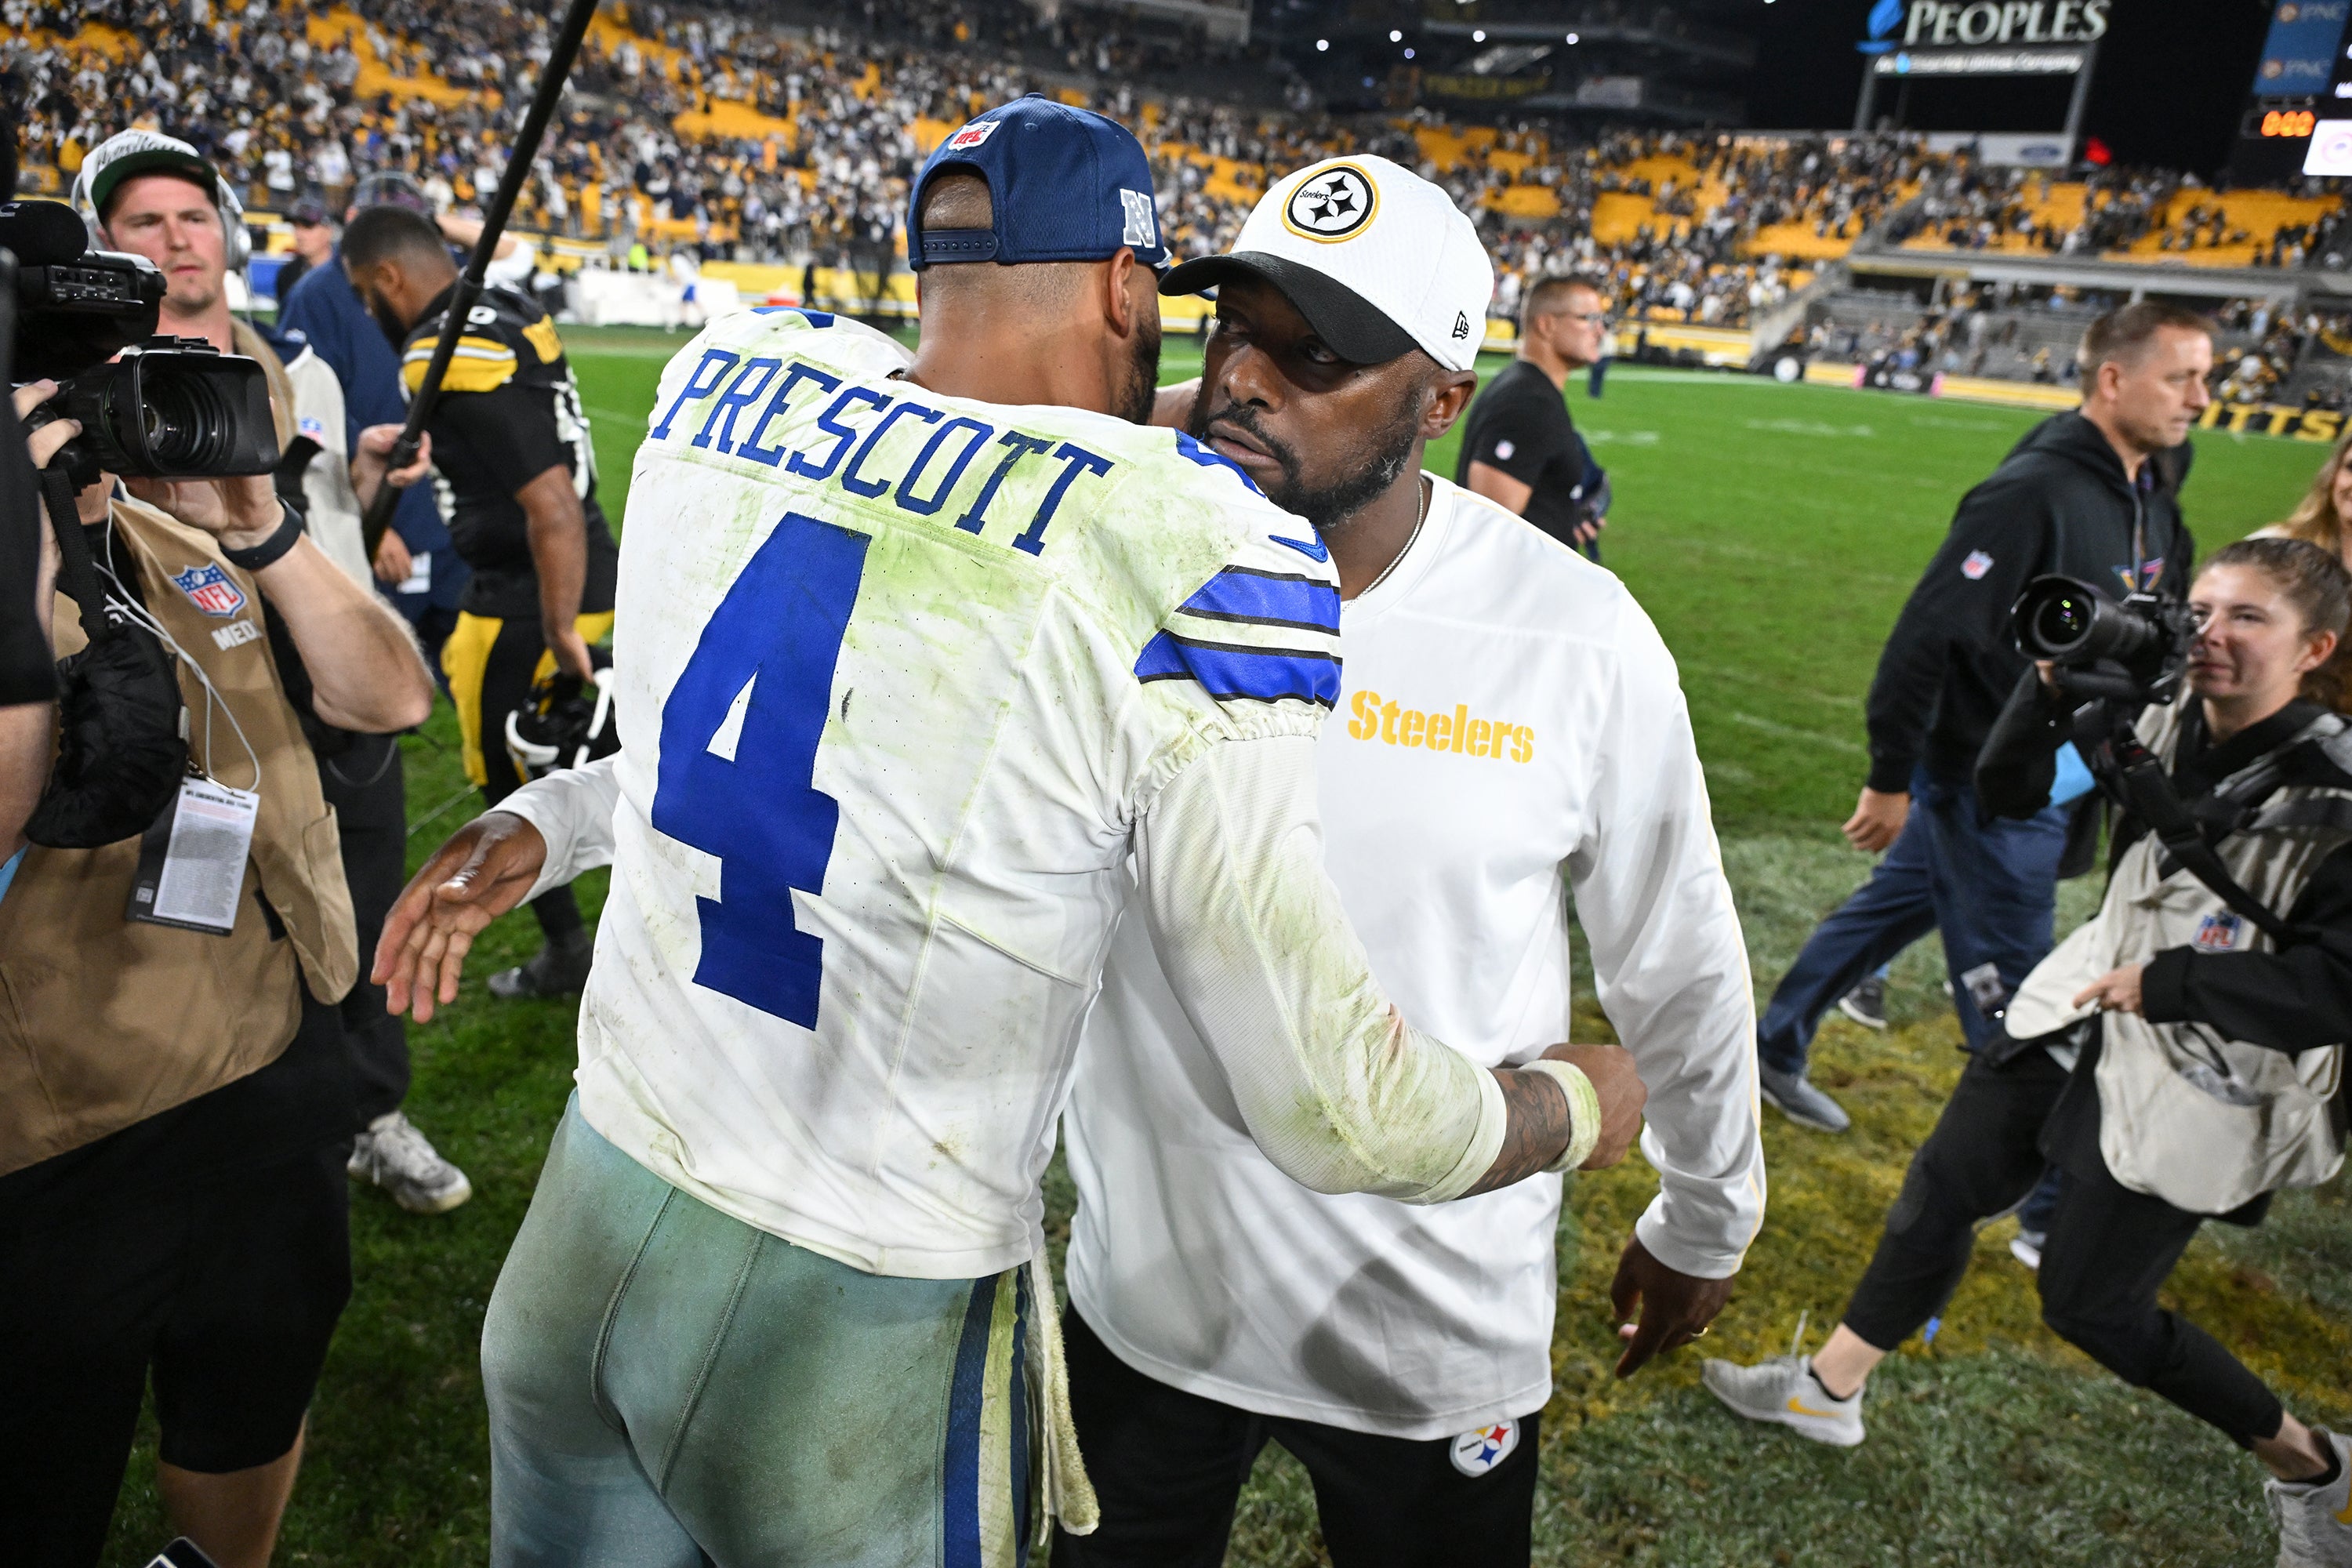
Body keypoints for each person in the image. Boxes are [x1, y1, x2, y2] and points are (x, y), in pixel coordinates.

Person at [374, 96, 1642, 1565]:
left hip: (586, 1236)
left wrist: (559, 815)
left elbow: (773, 735)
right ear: (1125, 287)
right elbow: (1335, 1109)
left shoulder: (734, 384)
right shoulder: (1197, 551)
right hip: (858, 1316)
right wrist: (1572, 1105)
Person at [1056, 158, 1763, 1565]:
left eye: (1316, 353)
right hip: (1144, 1296)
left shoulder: (1573, 634)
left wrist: (1707, 1212)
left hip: (1430, 1321)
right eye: (1235, 330)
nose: (1252, 376)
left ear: (1443, 400)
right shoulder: (1101, 560)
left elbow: (1674, 948)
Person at [1704, 539, 2352, 1568]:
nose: (2210, 637)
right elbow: (2005, 789)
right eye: (2203, 610)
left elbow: (2337, 986)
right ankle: (1827, 1390)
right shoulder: (2161, 712)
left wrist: (2174, 984)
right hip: (2085, 1006)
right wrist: (2051, 690)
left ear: (2317, 647)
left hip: (2205, 1070)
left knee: (2094, 1308)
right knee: (1942, 1187)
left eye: (2248, 620)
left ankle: (2316, 1467)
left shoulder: (2338, 790)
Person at [0, 379, 434, 1565]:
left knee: (251, 1396)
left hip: (272, 1070)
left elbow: (388, 697)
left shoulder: (175, 533)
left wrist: (267, 530)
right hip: (64, 1128)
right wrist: (22, 567)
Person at [81, 130, 472, 1214]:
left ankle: (372, 1112)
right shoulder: (84, 395)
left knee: (368, 902)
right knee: (205, 929)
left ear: (227, 233)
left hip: (331, 681)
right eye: (144, 224)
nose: (177, 238)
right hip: (196, 704)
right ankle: (225, 1127)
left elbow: (328, 522)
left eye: (192, 216)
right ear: (109, 249)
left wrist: (359, 474)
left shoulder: (300, 369)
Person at [1752, 302, 2211, 1136]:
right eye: (2181, 377)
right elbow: (1928, 635)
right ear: (2113, 379)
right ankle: (2028, 1197)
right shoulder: (2034, 490)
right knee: (2022, 998)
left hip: (2061, 769)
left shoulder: (2151, 487)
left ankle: (1771, 1046)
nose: (2201, 398)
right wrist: (1892, 775)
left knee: (1887, 910)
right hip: (1992, 781)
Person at [341, 202, 619, 1001]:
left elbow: (552, 504)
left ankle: (570, 950)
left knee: (515, 784)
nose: (369, 308)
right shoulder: (508, 306)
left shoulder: (447, 346)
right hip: (577, 572)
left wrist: (558, 625)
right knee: (597, 764)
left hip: (532, 593)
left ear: (389, 277)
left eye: (368, 290)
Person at [281, 172, 468, 672]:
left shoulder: (437, 282)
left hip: (448, 510)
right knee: (380, 662)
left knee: (463, 664)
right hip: (384, 509)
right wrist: (374, 521)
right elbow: (309, 411)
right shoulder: (316, 296)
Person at [1454, 274, 1612, 561]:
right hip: (1518, 597)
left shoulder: (1530, 389)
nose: (1599, 331)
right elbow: (1490, 524)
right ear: (1547, 324)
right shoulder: (1528, 400)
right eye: (1588, 318)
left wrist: (1564, 517)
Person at [274, 197, 335, 307]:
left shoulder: (348, 274)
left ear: (328, 231)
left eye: (307, 227)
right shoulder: (288, 275)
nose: (299, 235)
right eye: (296, 226)